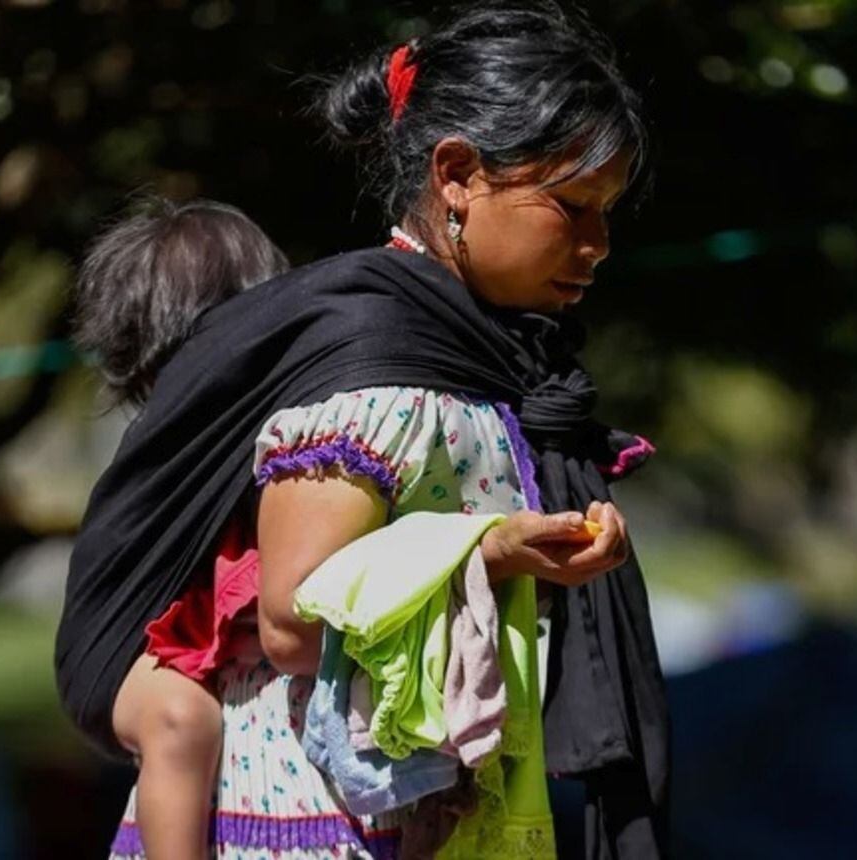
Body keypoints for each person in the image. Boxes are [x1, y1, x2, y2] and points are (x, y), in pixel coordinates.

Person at [57, 2, 671, 857]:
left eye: (608, 211)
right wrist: (485, 556)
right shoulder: (372, 369)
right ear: (456, 174)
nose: (599, 243)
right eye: (571, 206)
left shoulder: (483, 364)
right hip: (319, 823)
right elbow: (292, 621)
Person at [70, 195, 291, 859]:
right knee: (180, 721)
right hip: (121, 665)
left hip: (218, 660)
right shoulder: (164, 451)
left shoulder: (281, 429)